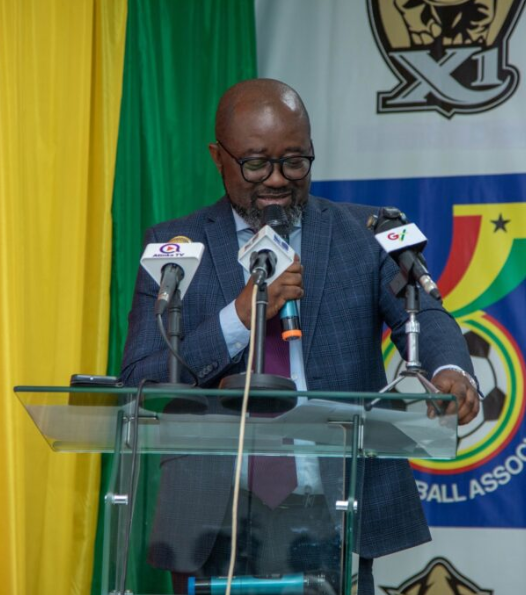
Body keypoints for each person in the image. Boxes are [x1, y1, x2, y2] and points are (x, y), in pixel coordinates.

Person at [120, 78, 480, 595]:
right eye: (255, 164)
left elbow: (422, 311)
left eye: (294, 161)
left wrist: (450, 369)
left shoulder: (371, 233)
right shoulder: (174, 247)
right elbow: (140, 376)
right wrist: (239, 317)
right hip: (211, 518)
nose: (276, 180)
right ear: (218, 158)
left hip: (334, 510)